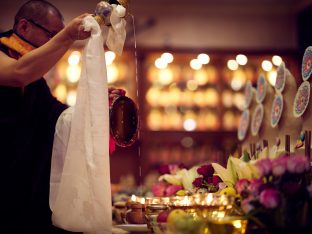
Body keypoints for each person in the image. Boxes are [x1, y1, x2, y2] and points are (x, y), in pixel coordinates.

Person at [0, 1, 122, 233]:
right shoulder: (15, 62)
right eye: (50, 35)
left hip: (24, 186)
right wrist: (67, 36)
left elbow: (56, 116)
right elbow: (18, 74)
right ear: (24, 26)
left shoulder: (36, 79)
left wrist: (94, 103)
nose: (53, 42)